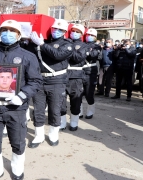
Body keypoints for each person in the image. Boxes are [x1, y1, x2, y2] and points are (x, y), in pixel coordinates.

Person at [0, 19, 42, 180]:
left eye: (12, 31)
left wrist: (22, 96)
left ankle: (17, 168)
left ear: (19, 35)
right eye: (4, 30)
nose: (7, 34)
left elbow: (36, 81)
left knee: (18, 141)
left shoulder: (28, 56)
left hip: (16, 108)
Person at [29, 19, 73, 148]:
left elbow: (57, 55)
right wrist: (29, 42)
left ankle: (53, 134)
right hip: (40, 80)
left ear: (65, 32)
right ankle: (39, 135)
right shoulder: (43, 42)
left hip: (57, 80)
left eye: (60, 30)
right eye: (54, 29)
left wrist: (42, 44)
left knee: (55, 109)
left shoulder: (67, 44)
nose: (56, 31)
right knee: (38, 110)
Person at [60, 24, 87, 131]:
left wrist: (68, 49)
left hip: (76, 77)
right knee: (61, 101)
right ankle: (61, 122)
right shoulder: (65, 42)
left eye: (77, 31)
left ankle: (74, 121)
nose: (74, 33)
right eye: (72, 31)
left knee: (75, 101)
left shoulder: (83, 46)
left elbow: (78, 58)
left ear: (81, 34)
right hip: (62, 75)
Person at [82, 28, 102, 119]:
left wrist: (84, 52)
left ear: (95, 37)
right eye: (87, 35)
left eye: (91, 35)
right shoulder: (82, 44)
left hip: (91, 72)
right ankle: (79, 112)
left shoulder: (97, 46)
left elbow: (92, 55)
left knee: (88, 93)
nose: (89, 36)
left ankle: (90, 111)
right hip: (81, 71)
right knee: (79, 93)